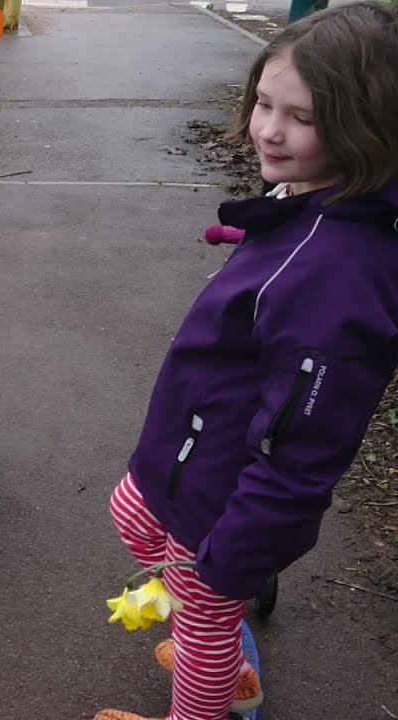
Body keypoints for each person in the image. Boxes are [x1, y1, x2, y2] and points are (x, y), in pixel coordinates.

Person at [98, 3, 398, 719]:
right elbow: (284, 250)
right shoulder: (320, 197)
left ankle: (208, 690)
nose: (268, 128)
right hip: (195, 445)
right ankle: (217, 649)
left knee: (201, 614)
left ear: (366, 129)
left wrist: (233, 554)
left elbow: (302, 453)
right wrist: (252, 224)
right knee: (132, 513)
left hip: (225, 484)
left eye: (301, 117)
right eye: (264, 102)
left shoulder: (337, 278)